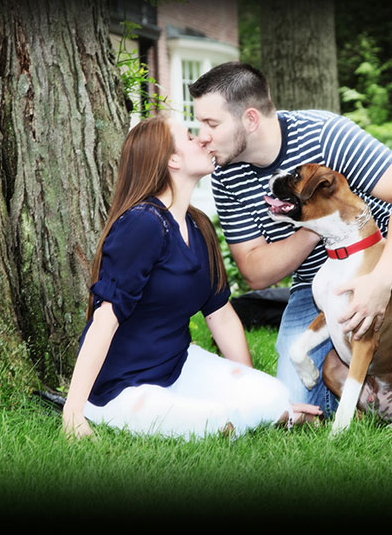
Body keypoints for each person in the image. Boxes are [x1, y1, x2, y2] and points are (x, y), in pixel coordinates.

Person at [189, 62, 392, 438]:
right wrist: (317, 224)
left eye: (211, 124)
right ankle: (366, 401)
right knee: (294, 396)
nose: (201, 136)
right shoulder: (226, 175)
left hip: (383, 256)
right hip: (316, 284)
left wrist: (381, 281)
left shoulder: (325, 133)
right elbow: (255, 270)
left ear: (250, 119)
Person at [62, 114, 321, 441]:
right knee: (216, 425)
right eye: (189, 137)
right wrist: (72, 411)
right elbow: (104, 320)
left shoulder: (198, 225)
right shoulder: (142, 224)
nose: (203, 140)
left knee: (271, 395)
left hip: (178, 365)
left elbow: (222, 316)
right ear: (172, 159)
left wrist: (254, 390)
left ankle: (259, 412)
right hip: (121, 384)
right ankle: (97, 408)